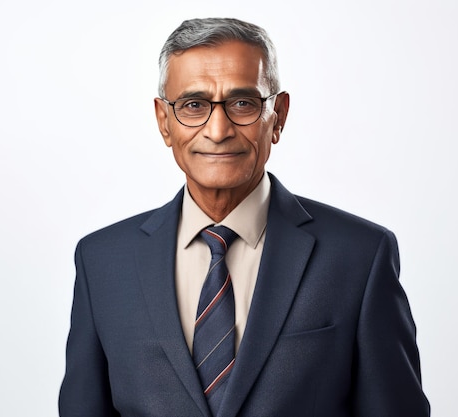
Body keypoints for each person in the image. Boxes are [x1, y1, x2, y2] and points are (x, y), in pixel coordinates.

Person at [59, 17, 430, 417]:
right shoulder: (102, 262)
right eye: (193, 105)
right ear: (164, 122)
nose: (218, 130)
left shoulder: (360, 256)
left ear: (279, 115)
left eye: (242, 103)